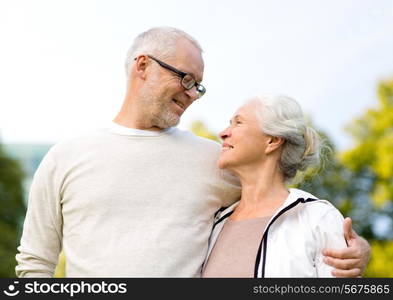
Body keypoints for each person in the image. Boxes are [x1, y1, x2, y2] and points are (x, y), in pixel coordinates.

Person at [16, 27, 369, 278]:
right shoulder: (66, 157)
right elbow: (35, 264)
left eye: (198, 86)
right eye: (185, 79)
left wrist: (353, 248)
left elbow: (282, 206)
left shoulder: (214, 160)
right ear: (142, 66)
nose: (191, 94)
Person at [202, 94, 368, 277]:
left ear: (272, 141)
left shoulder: (317, 218)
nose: (223, 133)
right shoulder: (214, 222)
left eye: (238, 123)